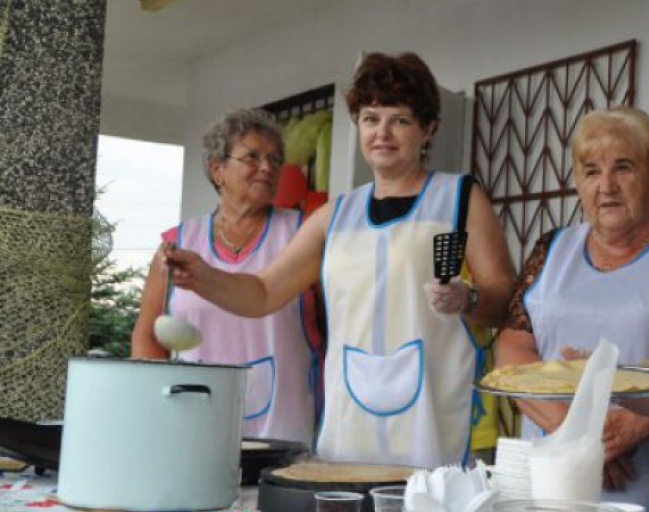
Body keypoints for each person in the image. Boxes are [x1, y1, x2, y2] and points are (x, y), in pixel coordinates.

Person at [165, 52, 515, 467]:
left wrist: (468, 299)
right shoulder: (334, 216)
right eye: (370, 118)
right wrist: (204, 276)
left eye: (399, 119)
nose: (382, 132)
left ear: (429, 129)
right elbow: (262, 293)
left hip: (436, 415)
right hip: (350, 419)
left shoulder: (459, 199)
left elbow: (505, 297)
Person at [494, 107, 649, 512]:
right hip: (552, 478)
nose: (606, 185)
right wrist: (580, 440)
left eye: (624, 167)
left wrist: (628, 429)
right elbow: (511, 350)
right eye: (591, 171)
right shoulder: (551, 249)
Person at [131, 108, 320, 445]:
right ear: (217, 170)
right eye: (253, 157)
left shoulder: (303, 234)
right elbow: (148, 336)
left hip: (287, 429)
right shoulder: (177, 244)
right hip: (194, 423)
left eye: (275, 159)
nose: (267, 167)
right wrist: (151, 408)